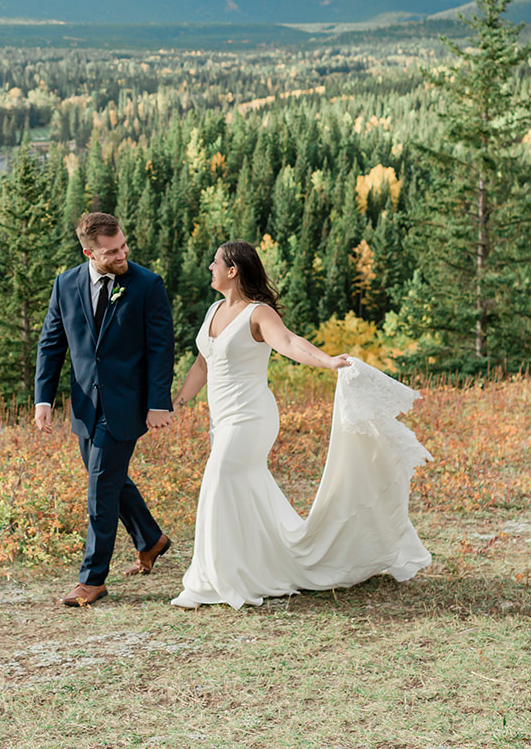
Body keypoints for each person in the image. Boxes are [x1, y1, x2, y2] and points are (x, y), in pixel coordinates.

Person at [169, 240, 432, 610]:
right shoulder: (213, 309)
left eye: (214, 263)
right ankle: (256, 566)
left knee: (218, 481)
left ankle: (215, 579)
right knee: (242, 490)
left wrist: (327, 362)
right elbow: (202, 365)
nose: (209, 268)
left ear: (233, 271)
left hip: (250, 418)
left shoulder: (258, 313)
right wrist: (176, 404)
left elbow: (289, 342)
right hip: (222, 418)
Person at [34, 212, 176, 607]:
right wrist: (43, 398)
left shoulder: (147, 284)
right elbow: (51, 342)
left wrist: (157, 402)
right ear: (89, 252)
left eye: (124, 246)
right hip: (83, 405)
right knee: (110, 480)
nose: (122, 254)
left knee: (100, 488)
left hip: (126, 404)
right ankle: (151, 539)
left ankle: (92, 579)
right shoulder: (65, 283)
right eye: (112, 252)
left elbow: (162, 347)